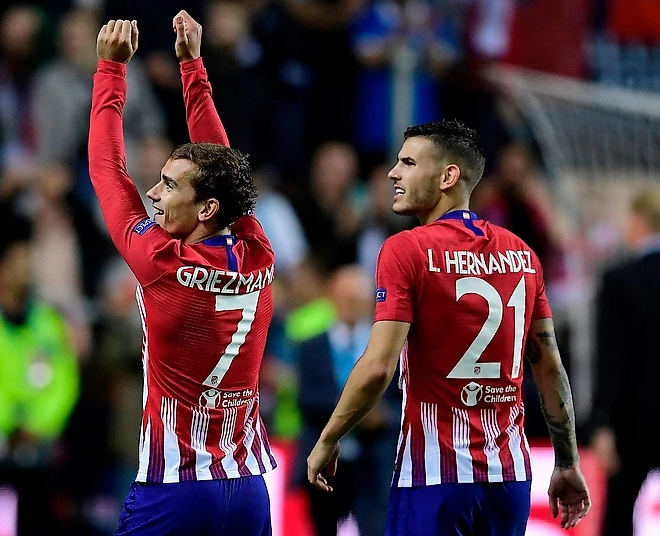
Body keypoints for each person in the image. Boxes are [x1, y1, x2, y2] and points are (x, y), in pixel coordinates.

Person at [307, 120, 591, 535]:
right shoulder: (523, 254)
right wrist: (567, 461)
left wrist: (329, 437)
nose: (393, 173)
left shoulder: (406, 250)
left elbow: (378, 367)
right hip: (509, 478)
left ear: (447, 177)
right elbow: (549, 366)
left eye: (408, 163)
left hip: (433, 477)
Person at [89, 13, 276, 535]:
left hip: (175, 488)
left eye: (169, 186)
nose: (152, 193)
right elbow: (224, 166)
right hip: (249, 487)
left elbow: (107, 170)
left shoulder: (162, 263)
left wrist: (110, 71)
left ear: (207, 209)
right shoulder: (259, 253)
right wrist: (193, 65)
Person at [0, 234, 80, 536]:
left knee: (34, 521)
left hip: (35, 446)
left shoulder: (47, 321)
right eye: (17, 265)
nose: (25, 273)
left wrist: (37, 424)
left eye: (29, 266)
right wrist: (9, 421)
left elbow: (63, 381)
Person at [294, 265, 399, 536]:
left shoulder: (389, 348)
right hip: (325, 462)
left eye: (358, 299)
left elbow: (402, 401)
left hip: (374, 460)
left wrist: (386, 416)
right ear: (332, 298)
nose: (353, 305)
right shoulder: (311, 346)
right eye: (347, 298)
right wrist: (357, 412)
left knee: (376, 528)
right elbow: (306, 398)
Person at [590, 185, 660, 536]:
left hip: (632, 422)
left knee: (618, 515)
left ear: (639, 220)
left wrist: (602, 421)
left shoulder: (621, 279)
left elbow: (610, 358)